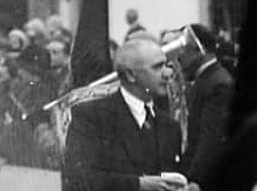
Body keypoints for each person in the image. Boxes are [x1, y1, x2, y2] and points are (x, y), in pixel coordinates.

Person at [62, 38, 188, 191]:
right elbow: (79, 178)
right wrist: (138, 185)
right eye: (157, 67)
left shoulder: (170, 126)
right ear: (130, 75)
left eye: (167, 65)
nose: (168, 73)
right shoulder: (92, 117)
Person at [173, 24, 233, 188]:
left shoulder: (218, 84)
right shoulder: (207, 80)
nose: (179, 57)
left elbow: (210, 137)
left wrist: (195, 179)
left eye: (184, 50)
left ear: (199, 51)